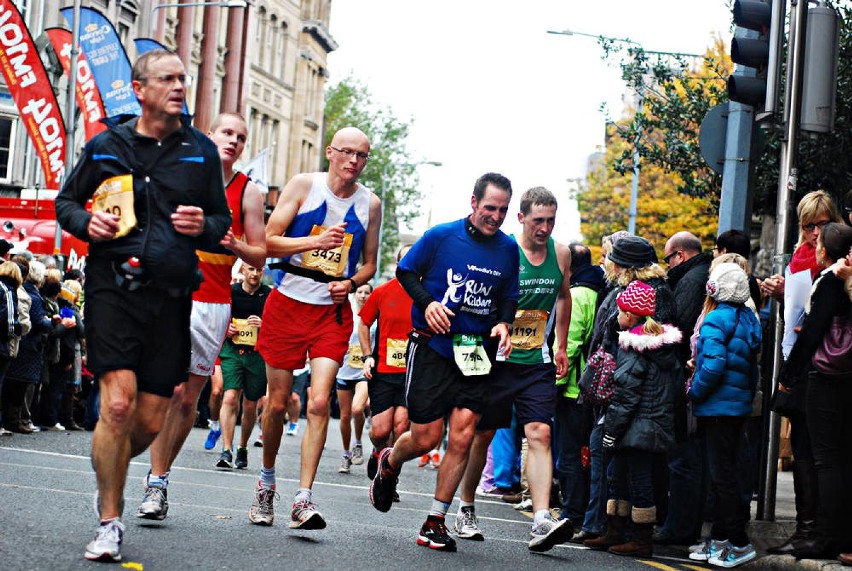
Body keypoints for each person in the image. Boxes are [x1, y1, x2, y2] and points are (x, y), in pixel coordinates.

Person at [54, 49, 231, 562]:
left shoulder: (200, 151)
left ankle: (109, 470)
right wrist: (87, 223)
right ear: (140, 88)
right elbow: (67, 202)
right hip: (113, 288)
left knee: (151, 421)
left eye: (183, 78)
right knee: (118, 405)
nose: (180, 86)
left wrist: (206, 227)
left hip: (171, 295)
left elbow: (222, 224)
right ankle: (110, 520)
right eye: (168, 79)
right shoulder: (107, 145)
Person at [369, 172, 519, 553]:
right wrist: (428, 303)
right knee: (426, 437)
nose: (496, 217)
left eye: (502, 210)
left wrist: (503, 322)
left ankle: (435, 521)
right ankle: (391, 459)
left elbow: (508, 297)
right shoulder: (441, 236)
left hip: (476, 351)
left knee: (465, 433)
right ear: (473, 202)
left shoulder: (507, 249)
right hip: (434, 347)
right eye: (490, 208)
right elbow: (406, 272)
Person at [136, 111, 266, 521]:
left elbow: (259, 252)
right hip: (171, 292)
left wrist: (236, 245)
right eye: (226, 132)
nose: (233, 141)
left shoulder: (249, 192)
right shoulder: (181, 174)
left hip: (212, 300)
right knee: (163, 389)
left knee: (187, 396)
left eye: (241, 137)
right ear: (209, 136)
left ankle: (158, 481)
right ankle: (142, 461)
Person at [248, 127, 381, 530]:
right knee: (277, 402)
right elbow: (266, 241)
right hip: (287, 304)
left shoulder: (370, 204)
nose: (354, 162)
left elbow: (369, 263)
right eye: (347, 152)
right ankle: (267, 483)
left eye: (362, 156)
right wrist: (314, 244)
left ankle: (303, 499)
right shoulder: (304, 185)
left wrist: (352, 283)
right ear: (330, 152)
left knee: (320, 402)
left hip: (330, 313)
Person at [453, 186, 573, 552]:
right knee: (482, 436)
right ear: (521, 218)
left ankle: (540, 519)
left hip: (536, 360)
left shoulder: (562, 253)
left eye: (551, 220)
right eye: (538, 220)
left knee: (540, 434)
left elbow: (563, 296)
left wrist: (562, 344)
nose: (545, 228)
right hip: (496, 361)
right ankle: (466, 506)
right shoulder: (504, 251)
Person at [762, 190, 843, 557]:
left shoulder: (839, 257)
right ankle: (804, 528)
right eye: (808, 225)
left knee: (819, 454)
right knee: (802, 451)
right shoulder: (801, 255)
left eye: (821, 225)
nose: (814, 233)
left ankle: (818, 532)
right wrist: (781, 294)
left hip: (821, 364)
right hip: (801, 356)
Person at [779, 223, 852, 560]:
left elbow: (812, 334)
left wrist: (789, 374)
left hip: (826, 377)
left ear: (825, 249)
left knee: (826, 462)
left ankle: (829, 537)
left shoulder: (830, 281)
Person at [598, 280, 681, 558]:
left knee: (639, 481)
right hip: (646, 424)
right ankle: (616, 530)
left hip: (638, 425)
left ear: (631, 315)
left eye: (620, 311)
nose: (616, 316)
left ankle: (641, 538)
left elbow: (625, 394)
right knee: (617, 475)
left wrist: (611, 430)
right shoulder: (655, 344)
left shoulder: (636, 346)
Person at [688, 263, 762, 568]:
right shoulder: (747, 318)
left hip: (716, 407)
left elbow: (715, 364)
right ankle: (719, 541)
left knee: (721, 479)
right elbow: (748, 367)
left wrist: (695, 389)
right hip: (736, 407)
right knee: (727, 474)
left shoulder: (715, 319)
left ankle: (740, 543)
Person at [656, 231, 713, 546]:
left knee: (683, 457)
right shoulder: (701, 275)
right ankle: (681, 524)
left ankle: (679, 527)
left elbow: (676, 328)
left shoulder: (690, 281)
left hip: (683, 377)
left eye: (668, 259)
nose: (667, 266)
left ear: (680, 254)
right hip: (693, 375)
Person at [556, 243, 605, 541]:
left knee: (570, 454)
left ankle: (571, 513)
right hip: (596, 387)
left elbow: (570, 345)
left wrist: (554, 385)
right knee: (588, 454)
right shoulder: (600, 289)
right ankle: (584, 510)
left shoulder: (578, 295)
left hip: (574, 387)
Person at [359, 245, 414, 480]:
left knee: (401, 428)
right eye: (406, 261)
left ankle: (389, 477)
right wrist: (367, 356)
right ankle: (377, 452)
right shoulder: (382, 292)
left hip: (412, 372)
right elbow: (363, 324)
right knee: (380, 431)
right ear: (398, 264)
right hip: (383, 369)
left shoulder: (427, 295)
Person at [216, 262, 271, 469]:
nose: (255, 273)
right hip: (233, 351)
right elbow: (220, 317)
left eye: (258, 270)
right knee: (230, 396)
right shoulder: (231, 292)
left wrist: (264, 325)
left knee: (250, 404)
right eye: (251, 269)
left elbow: (278, 324)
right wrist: (226, 328)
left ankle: (242, 447)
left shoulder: (269, 295)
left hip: (257, 355)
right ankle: (226, 449)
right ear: (243, 270)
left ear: (263, 271)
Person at [336, 282, 373, 474]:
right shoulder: (346, 312)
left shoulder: (374, 317)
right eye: (360, 292)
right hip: (344, 369)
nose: (363, 295)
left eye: (367, 292)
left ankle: (357, 443)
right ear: (355, 293)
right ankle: (345, 454)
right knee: (344, 415)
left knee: (357, 408)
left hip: (363, 371)